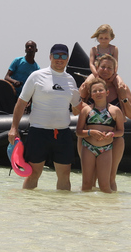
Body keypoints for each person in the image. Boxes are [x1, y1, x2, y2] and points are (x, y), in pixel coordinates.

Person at [8, 44, 82, 190]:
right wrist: (13, 128)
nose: (59, 59)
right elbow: (21, 103)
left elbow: (77, 109)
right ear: (50, 57)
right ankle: (28, 209)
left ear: (67, 59)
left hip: (62, 133)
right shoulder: (37, 76)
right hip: (38, 132)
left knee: (65, 175)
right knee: (34, 173)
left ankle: (61, 211)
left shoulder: (70, 80)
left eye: (63, 56)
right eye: (56, 55)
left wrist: (83, 99)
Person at [79, 54, 131, 191]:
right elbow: (77, 111)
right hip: (88, 138)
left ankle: (110, 210)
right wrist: (81, 96)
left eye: (109, 67)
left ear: (115, 69)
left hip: (114, 139)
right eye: (103, 67)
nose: (105, 70)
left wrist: (123, 98)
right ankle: (87, 210)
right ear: (96, 68)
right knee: (88, 179)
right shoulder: (90, 86)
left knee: (110, 178)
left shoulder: (121, 88)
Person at [76, 78, 125, 193]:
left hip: (106, 149)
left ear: (107, 92)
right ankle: (86, 208)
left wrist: (112, 134)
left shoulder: (115, 110)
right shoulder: (86, 110)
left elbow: (121, 131)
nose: (98, 93)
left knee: (105, 185)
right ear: (91, 95)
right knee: (86, 184)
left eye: (100, 90)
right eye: (94, 91)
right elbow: (78, 131)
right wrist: (90, 132)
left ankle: (107, 209)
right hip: (88, 147)